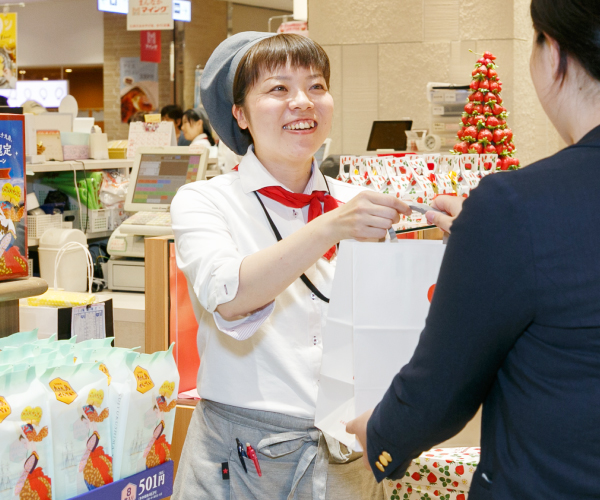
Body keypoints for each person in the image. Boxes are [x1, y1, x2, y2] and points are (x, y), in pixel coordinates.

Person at [346, 1, 600, 498]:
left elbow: (440, 389)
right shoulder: (512, 217)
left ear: (554, 54)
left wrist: (380, 434)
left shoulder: (515, 206)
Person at [170, 32, 410, 500]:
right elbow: (232, 297)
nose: (303, 102)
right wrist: (329, 228)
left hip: (347, 453)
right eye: (278, 89)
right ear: (239, 114)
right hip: (238, 458)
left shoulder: (356, 204)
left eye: (316, 86)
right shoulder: (204, 201)